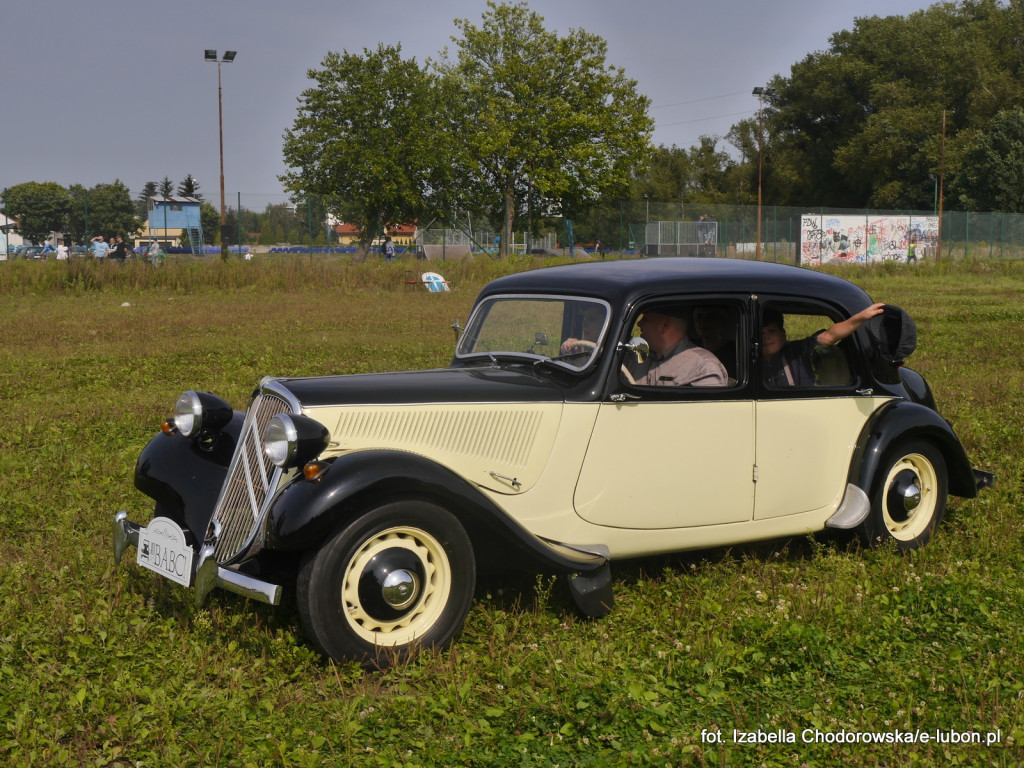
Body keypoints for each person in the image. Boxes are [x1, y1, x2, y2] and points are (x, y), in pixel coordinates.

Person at [762, 303, 885, 387]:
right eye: (761, 333)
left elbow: (829, 336)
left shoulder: (797, 351)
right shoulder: (749, 357)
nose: (766, 337)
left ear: (783, 333)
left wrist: (860, 317)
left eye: (772, 331)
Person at [626, 308, 727, 387]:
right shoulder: (636, 358)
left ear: (664, 325)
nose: (639, 324)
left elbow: (704, 411)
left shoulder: (703, 368)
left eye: (645, 319)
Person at [693, 305, 737, 379]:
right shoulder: (690, 348)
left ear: (722, 321)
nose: (703, 322)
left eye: (710, 317)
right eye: (699, 316)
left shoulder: (735, 352)